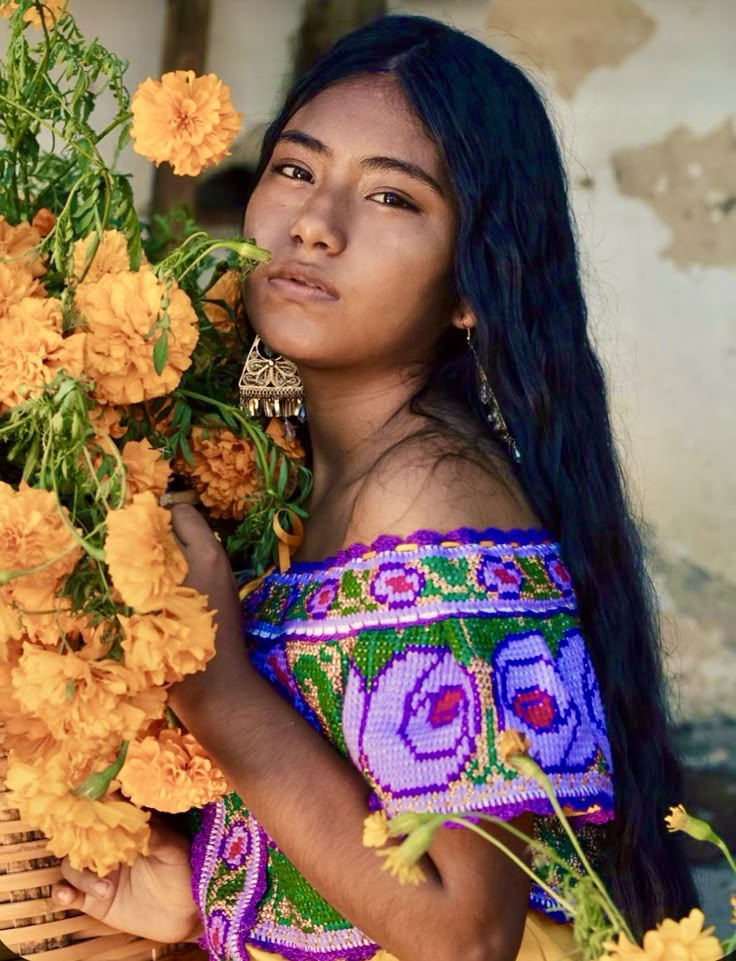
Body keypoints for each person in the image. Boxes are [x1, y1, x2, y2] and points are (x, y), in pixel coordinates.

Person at [50, 14, 700, 961]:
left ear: (473, 286)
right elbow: (356, 820)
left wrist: (216, 686)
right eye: (297, 169)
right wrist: (200, 902)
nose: (316, 222)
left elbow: (463, 935)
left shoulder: (431, 496)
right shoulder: (300, 459)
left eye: (393, 198)